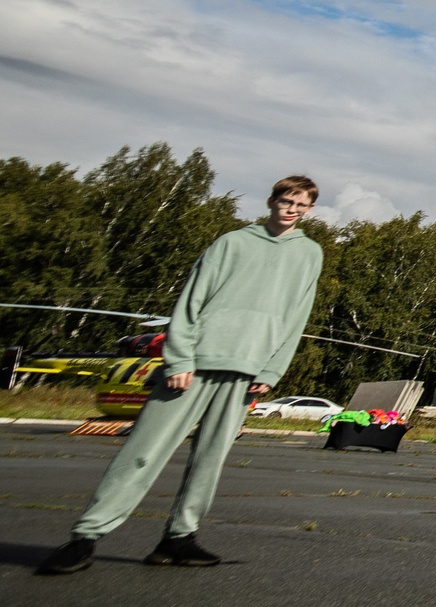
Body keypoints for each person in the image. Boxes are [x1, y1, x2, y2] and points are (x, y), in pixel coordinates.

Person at [37, 176, 327, 576]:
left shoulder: (309, 254)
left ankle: (179, 539)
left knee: (210, 459)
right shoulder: (232, 243)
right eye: (286, 200)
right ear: (272, 200)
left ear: (310, 209)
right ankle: (84, 538)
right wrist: (178, 360)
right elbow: (191, 301)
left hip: (247, 372)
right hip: (194, 364)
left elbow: (297, 316)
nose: (292, 208)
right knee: (142, 452)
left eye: (301, 204)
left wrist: (271, 369)